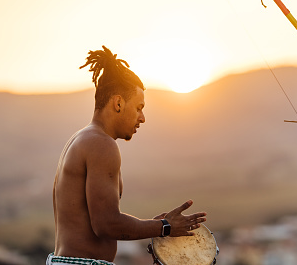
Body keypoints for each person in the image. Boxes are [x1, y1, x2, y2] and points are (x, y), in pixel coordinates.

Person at [48, 46, 207, 265]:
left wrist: (153, 225)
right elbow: (106, 224)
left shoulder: (82, 139)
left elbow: (97, 221)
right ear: (118, 103)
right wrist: (166, 227)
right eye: (139, 107)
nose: (142, 118)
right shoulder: (101, 144)